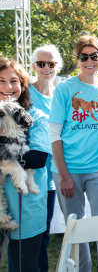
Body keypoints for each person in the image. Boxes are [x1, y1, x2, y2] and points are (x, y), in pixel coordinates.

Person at [49, 35, 98, 272]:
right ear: (77, 59)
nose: (90, 61)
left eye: (94, 56)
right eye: (84, 57)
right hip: (67, 171)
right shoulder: (65, 89)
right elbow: (54, 135)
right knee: (76, 232)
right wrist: (64, 175)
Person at [0, 57, 51, 272]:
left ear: (23, 85)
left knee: (24, 265)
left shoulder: (35, 117)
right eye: (1, 81)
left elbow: (38, 158)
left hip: (25, 206)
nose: (8, 87)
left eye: (14, 81)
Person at [30, 44, 62, 272]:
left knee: (45, 231)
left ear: (57, 66)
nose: (46, 68)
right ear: (34, 66)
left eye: (51, 63)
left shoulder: (61, 93)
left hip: (54, 174)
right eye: (41, 63)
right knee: (32, 233)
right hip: (33, 172)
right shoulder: (25, 92)